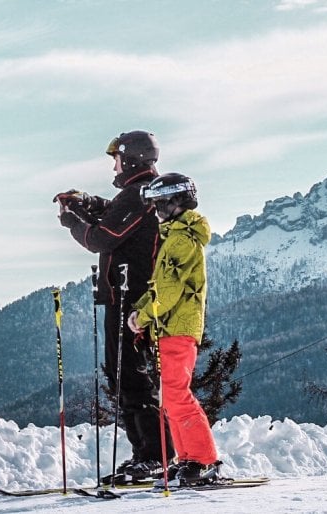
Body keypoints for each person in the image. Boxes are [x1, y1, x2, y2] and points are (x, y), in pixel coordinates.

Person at [55, 130, 169, 483]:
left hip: (130, 300)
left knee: (130, 376)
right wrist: (87, 202)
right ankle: (147, 453)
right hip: (125, 297)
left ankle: (154, 455)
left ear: (131, 158)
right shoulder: (137, 193)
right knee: (123, 374)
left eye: (116, 157)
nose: (114, 164)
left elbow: (102, 237)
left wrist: (71, 220)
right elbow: (112, 214)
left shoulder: (138, 194)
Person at [127, 172, 220, 486]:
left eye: (160, 204)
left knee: (178, 395)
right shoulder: (175, 236)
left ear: (176, 201)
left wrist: (144, 315)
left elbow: (168, 289)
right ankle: (188, 459)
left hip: (178, 327)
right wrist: (140, 309)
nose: (156, 211)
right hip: (169, 328)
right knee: (171, 397)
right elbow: (159, 285)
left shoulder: (182, 239)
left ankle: (204, 460)